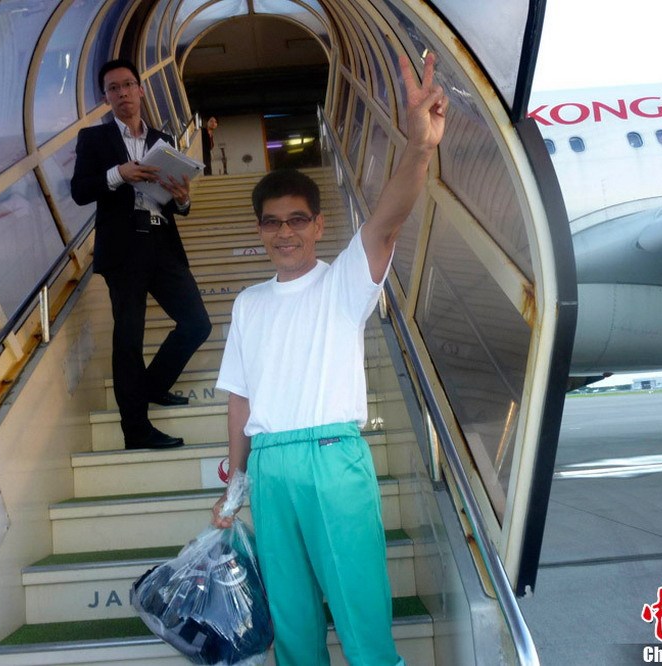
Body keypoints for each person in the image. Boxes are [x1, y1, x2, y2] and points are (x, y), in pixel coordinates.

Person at [211, 53, 447, 665]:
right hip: (269, 467)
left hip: (331, 457)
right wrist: (236, 485)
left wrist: (419, 148)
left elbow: (388, 223)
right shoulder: (248, 304)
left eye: (296, 220)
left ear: (318, 225)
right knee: (291, 628)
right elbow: (240, 398)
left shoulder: (342, 280)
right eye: (271, 223)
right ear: (260, 230)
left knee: (361, 615)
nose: (283, 231)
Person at [71, 59, 211, 450]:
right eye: (113, 88)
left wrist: (182, 200)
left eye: (128, 85)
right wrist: (120, 174)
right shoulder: (94, 140)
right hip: (124, 248)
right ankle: (136, 430)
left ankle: (150, 386)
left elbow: (174, 200)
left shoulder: (162, 140)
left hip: (163, 244)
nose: (122, 93)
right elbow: (80, 191)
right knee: (128, 339)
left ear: (141, 90)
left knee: (197, 324)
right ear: (106, 98)